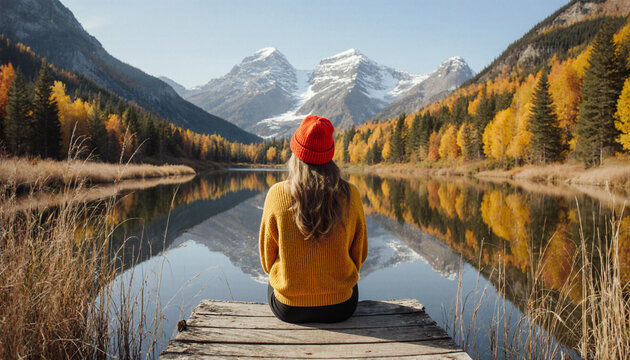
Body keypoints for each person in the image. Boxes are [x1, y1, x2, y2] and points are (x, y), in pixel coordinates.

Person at [259, 115, 368, 323]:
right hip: (341, 307)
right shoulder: (351, 194)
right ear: (330, 155)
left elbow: (267, 261)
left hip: (288, 309)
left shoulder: (276, 194)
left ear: (296, 154)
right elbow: (359, 254)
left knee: (273, 280)